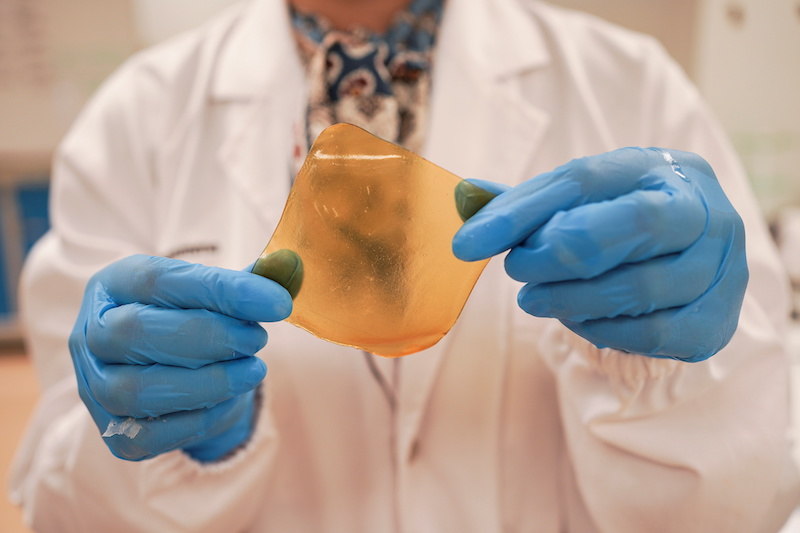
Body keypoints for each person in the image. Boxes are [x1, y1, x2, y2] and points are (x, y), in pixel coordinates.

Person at [8, 0, 800, 531]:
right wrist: (174, 443)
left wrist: (679, 375)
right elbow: (59, 502)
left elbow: (757, 488)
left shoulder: (630, 83)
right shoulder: (135, 122)